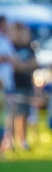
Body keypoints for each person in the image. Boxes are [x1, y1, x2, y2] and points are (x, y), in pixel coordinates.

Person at [10, 22, 38, 151]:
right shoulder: (13, 47)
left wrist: (23, 66)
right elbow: (15, 65)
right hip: (16, 84)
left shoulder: (30, 47)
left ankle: (23, 139)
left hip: (27, 84)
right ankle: (11, 140)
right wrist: (24, 66)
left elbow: (35, 63)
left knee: (25, 114)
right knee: (14, 113)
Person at [0, 17, 17, 153]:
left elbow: (14, 60)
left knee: (8, 115)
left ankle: (7, 142)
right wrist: (6, 58)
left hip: (8, 83)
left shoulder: (7, 41)